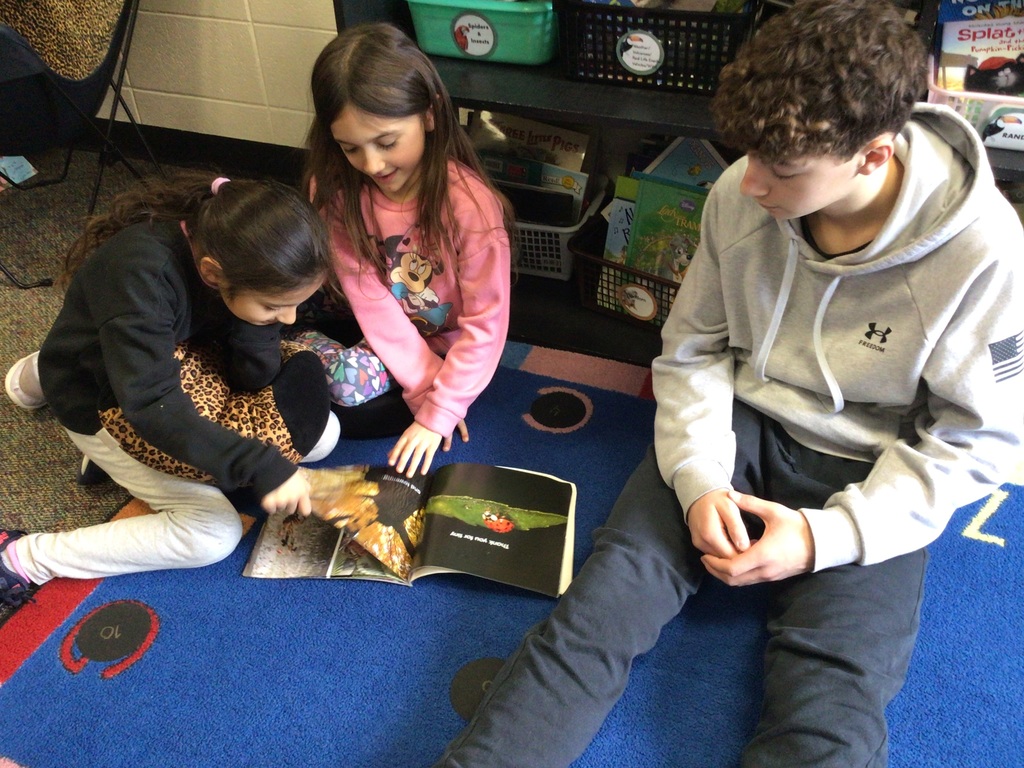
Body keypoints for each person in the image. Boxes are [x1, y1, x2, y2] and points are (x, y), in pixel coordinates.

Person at [433, 1, 1024, 765]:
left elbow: (975, 440)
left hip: (880, 465)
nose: (750, 185)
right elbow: (693, 352)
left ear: (873, 156)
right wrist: (698, 478)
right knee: (598, 612)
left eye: (781, 169)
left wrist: (825, 538)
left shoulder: (988, 252)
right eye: (747, 156)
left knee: (832, 701)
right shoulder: (741, 192)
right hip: (739, 427)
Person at [1, 171, 340, 609]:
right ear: (213, 273)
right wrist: (257, 463)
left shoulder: (234, 252)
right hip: (105, 402)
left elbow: (252, 377)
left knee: (323, 435)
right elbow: (149, 405)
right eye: (277, 306)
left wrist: (258, 325)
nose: (292, 319)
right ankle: (25, 558)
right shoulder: (140, 272)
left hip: (168, 360)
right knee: (214, 534)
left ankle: (53, 366)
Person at [292, 22, 514, 478]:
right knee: (275, 277)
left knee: (347, 389)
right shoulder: (335, 188)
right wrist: (422, 386)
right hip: (375, 322)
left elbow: (486, 325)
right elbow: (369, 300)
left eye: (387, 142)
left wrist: (440, 407)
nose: (372, 165)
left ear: (429, 115)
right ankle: (287, 339)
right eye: (350, 148)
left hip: (444, 345)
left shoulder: (469, 206)